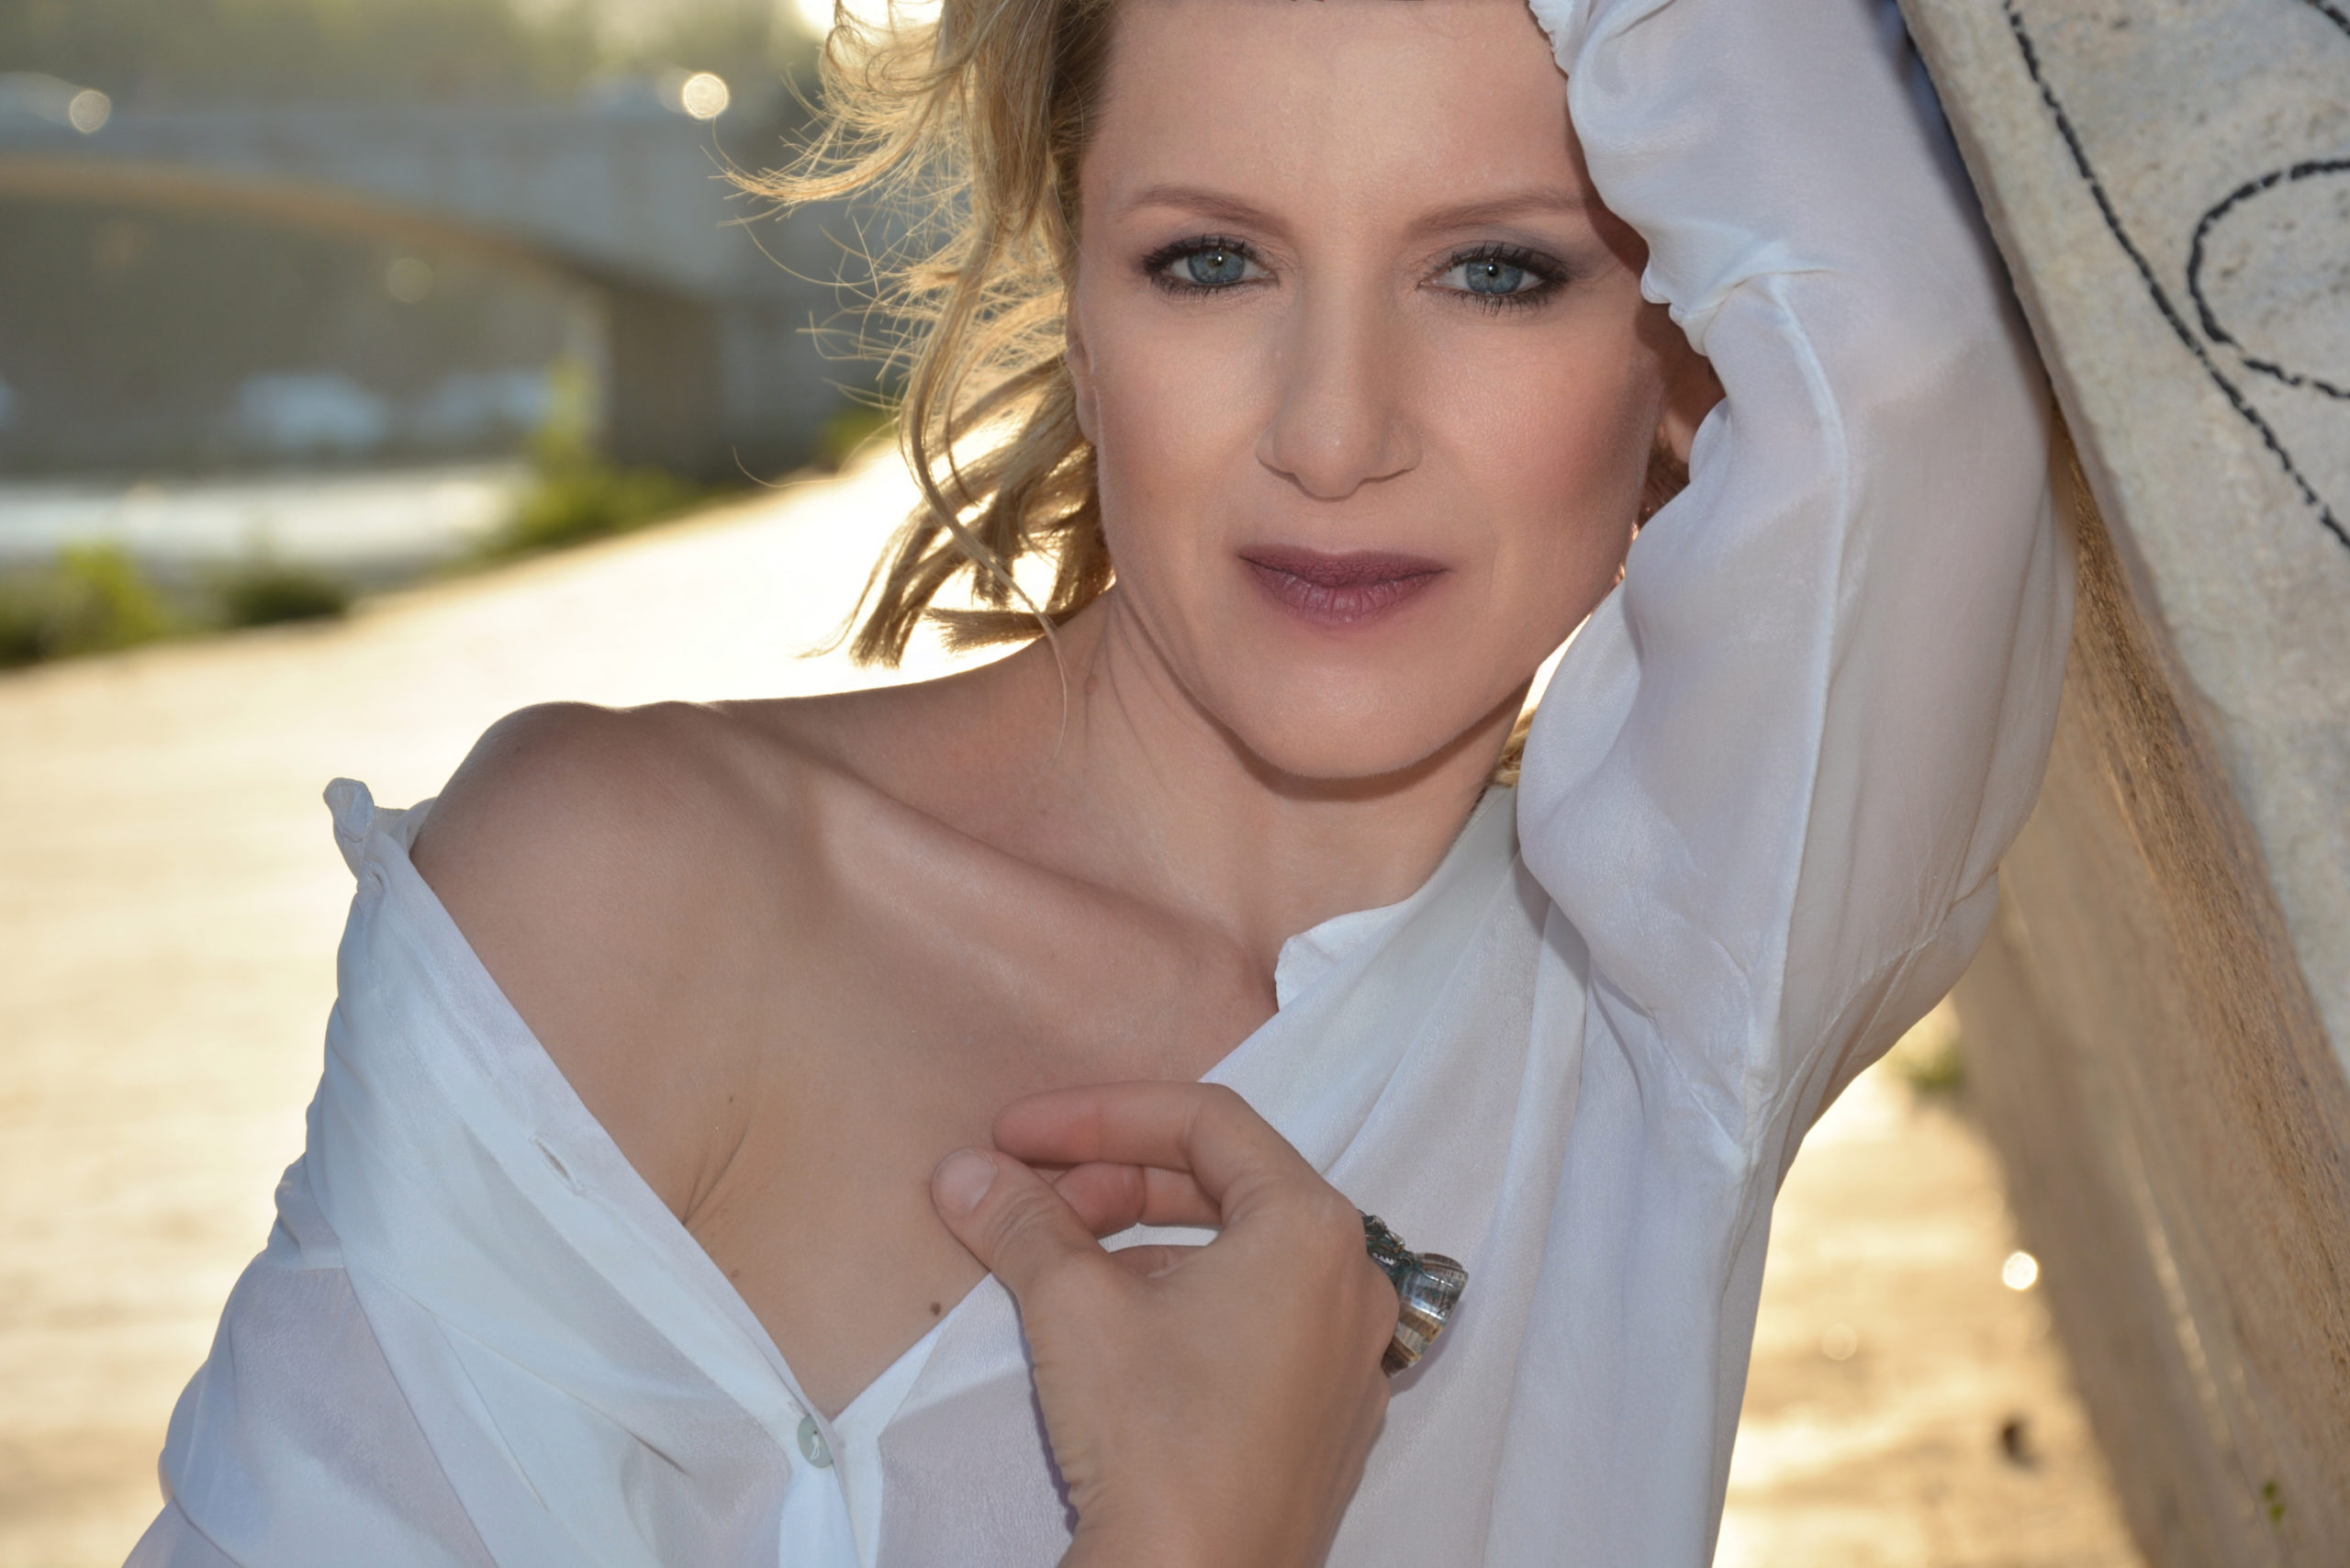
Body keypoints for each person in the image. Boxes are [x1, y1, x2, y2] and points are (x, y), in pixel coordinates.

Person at [129, 0, 2072, 1557]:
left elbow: (1906, 352)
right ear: (1076, 294)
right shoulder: (624, 898)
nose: (1332, 432)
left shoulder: (1670, 996)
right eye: (1210, 260)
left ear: (1680, 367)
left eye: (1494, 272)